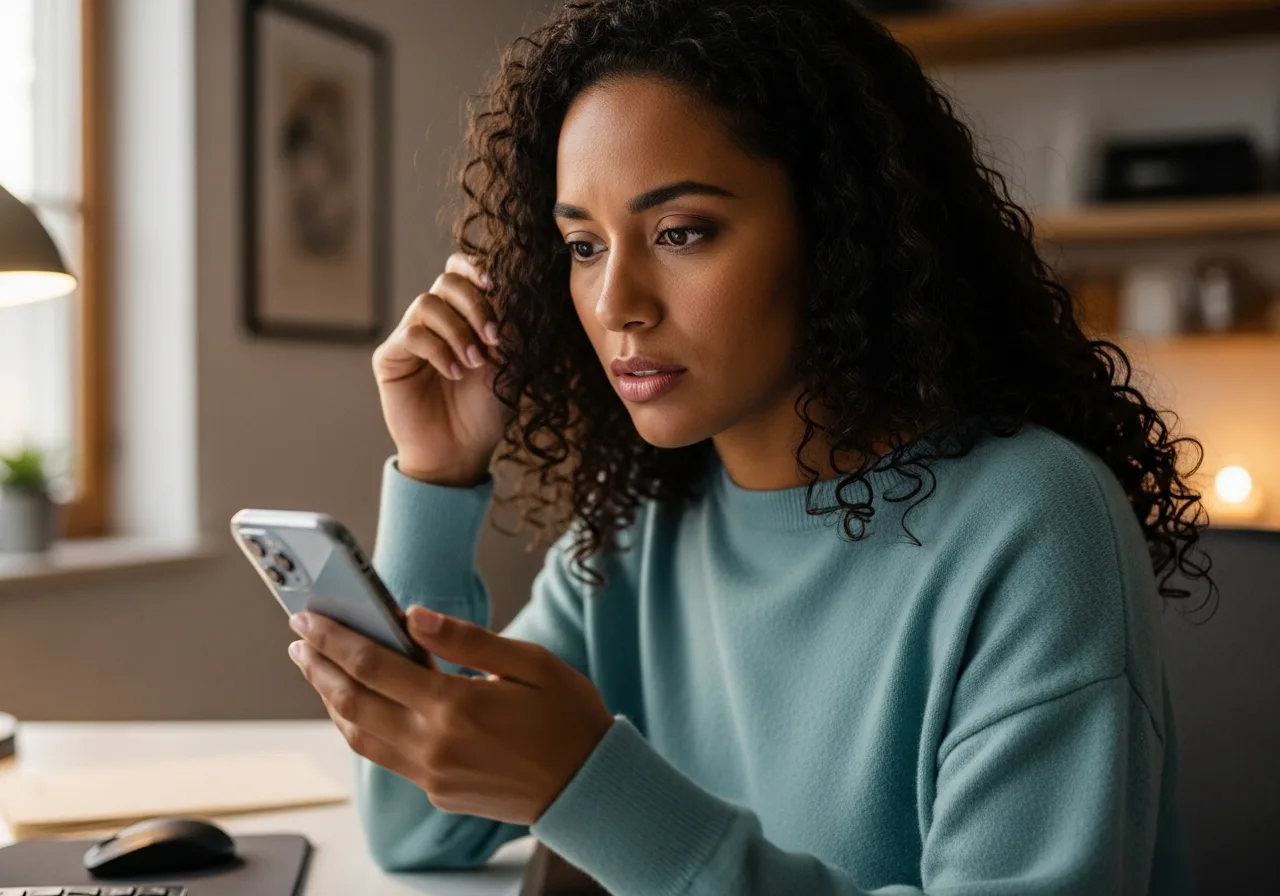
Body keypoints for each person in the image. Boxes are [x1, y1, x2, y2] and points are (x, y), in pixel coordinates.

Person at [284, 1, 1213, 892]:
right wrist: (440, 473)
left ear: (840, 228)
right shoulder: (636, 536)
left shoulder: (1035, 524)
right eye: (584, 246)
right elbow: (417, 826)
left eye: (680, 232)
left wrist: (590, 787)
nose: (615, 305)